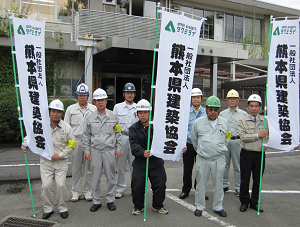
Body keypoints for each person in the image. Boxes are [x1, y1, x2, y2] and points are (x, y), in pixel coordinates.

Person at [21, 99, 76, 219]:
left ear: (61, 113)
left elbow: (72, 144)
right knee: (46, 186)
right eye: (53, 111)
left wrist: (60, 154)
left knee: (61, 185)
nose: (55, 114)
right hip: (46, 162)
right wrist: (24, 143)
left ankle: (62, 207)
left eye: (58, 111)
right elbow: (30, 137)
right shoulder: (41, 126)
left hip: (61, 162)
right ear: (49, 112)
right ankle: (48, 208)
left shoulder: (67, 127)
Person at [82, 88, 122, 212]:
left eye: (102, 100)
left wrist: (119, 148)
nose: (100, 102)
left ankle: (110, 199)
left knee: (111, 176)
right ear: (94, 102)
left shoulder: (113, 116)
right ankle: (97, 200)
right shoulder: (89, 117)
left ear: (106, 101)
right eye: (98, 100)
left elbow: (118, 133)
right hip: (95, 151)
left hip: (109, 150)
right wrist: (87, 151)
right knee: (95, 176)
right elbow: (86, 135)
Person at [129, 99, 168, 215]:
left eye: (145, 112)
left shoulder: (157, 127)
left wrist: (179, 147)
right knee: (137, 185)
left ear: (149, 113)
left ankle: (158, 205)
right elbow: (134, 145)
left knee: (160, 184)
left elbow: (165, 141)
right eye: (140, 112)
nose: (143, 115)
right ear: (137, 114)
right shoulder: (133, 128)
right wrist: (142, 152)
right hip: (140, 162)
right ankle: (138, 206)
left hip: (156, 162)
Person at [191, 96, 228, 218]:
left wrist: (218, 148)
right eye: (210, 109)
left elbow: (227, 138)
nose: (213, 112)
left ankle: (218, 206)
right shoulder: (198, 123)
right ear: (206, 109)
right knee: (201, 184)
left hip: (219, 158)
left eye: (215, 110)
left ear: (219, 110)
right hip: (203, 159)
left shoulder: (224, 122)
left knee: (219, 184)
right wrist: (202, 151)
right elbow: (194, 140)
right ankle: (199, 206)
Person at [64, 83, 97, 202]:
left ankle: (88, 191)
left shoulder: (93, 109)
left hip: (89, 141)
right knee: (76, 167)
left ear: (88, 96)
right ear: (76, 96)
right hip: (75, 140)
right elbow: (66, 127)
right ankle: (76, 192)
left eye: (84, 95)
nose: (82, 97)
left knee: (89, 168)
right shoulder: (70, 109)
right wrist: (67, 144)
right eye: (80, 95)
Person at [238, 94, 268, 213]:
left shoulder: (265, 121)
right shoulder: (242, 120)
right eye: (252, 106)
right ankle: (244, 202)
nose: (254, 108)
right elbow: (243, 137)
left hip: (260, 154)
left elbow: (269, 137)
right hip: (247, 154)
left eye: (256, 106)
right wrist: (258, 136)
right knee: (245, 179)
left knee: (257, 180)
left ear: (260, 107)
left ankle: (255, 202)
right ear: (248, 107)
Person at [179, 88, 207, 200]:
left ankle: (200, 190)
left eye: (198, 97)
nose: (196, 99)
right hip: (189, 144)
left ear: (201, 99)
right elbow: (182, 128)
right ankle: (186, 189)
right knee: (187, 168)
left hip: (202, 145)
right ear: (191, 99)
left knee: (201, 169)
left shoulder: (206, 112)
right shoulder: (185, 112)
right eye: (194, 97)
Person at [219, 89, 247, 196]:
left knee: (238, 165)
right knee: (224, 164)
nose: (232, 101)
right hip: (226, 141)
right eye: (230, 99)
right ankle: (225, 184)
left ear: (238, 100)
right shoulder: (222, 114)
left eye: (234, 99)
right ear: (227, 100)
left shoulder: (243, 114)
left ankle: (238, 186)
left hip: (237, 141)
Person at [113, 82, 138, 199]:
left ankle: (134, 188)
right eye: (127, 93)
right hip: (121, 137)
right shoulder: (117, 107)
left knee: (135, 166)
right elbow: (113, 124)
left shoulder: (138, 108)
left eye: (131, 93)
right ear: (123, 94)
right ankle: (119, 188)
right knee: (120, 166)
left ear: (134, 94)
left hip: (134, 139)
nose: (129, 95)